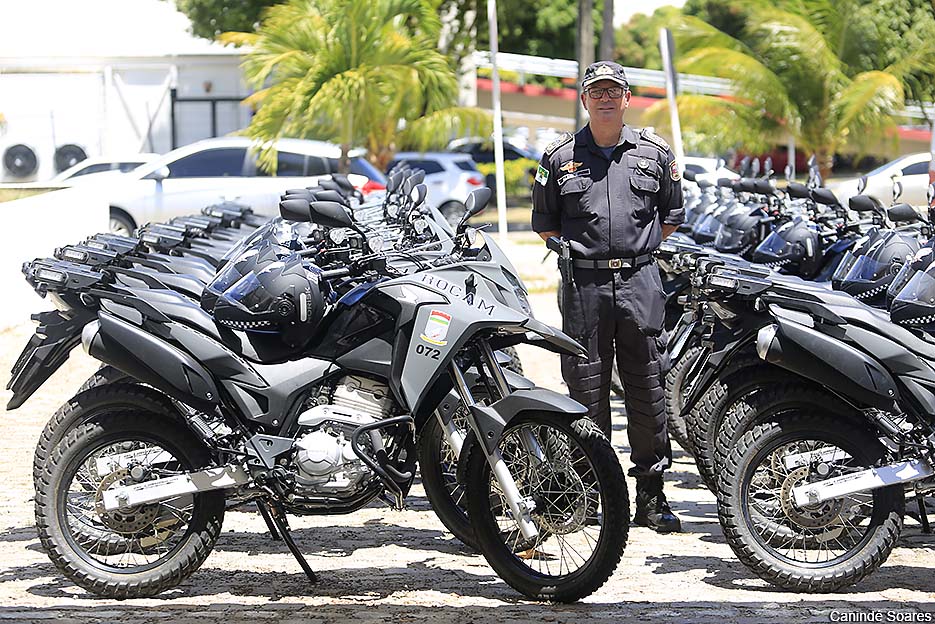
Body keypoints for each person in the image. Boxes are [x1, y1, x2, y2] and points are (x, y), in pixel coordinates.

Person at [531, 61, 684, 533]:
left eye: (612, 92)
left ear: (626, 98)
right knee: (586, 391)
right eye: (595, 91)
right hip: (585, 288)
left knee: (647, 390)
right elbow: (546, 224)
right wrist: (588, 256)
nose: (604, 99)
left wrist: (633, 255)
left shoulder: (655, 153)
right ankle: (589, 494)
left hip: (640, 284)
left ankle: (651, 498)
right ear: (584, 99)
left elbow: (671, 217)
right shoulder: (558, 157)